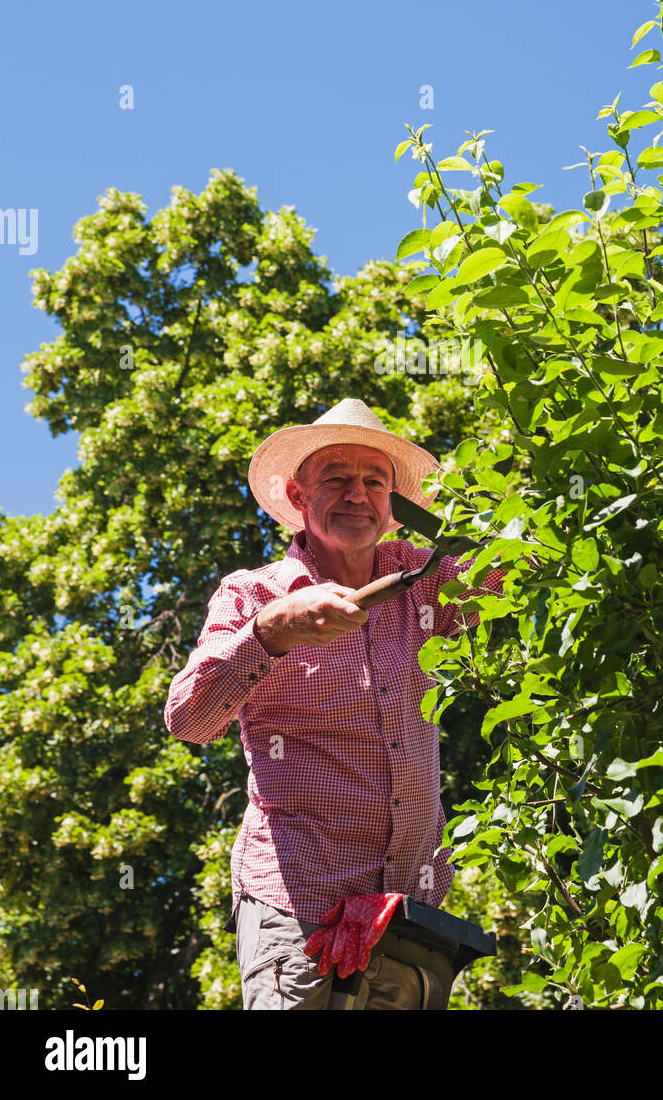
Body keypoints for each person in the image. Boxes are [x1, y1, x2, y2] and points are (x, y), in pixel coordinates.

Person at [164, 397, 508, 1009]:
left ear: (395, 501)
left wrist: (490, 507)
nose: (358, 494)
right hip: (300, 907)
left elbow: (535, 573)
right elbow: (190, 721)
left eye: (375, 481)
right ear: (299, 497)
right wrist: (271, 634)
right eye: (337, 480)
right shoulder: (255, 594)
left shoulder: (426, 575)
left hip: (410, 913)